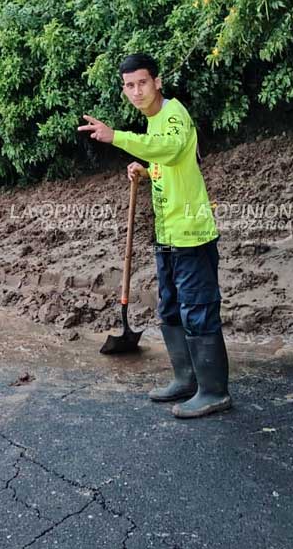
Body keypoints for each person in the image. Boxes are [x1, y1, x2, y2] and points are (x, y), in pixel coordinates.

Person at [77, 53, 230, 419]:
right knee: (171, 307)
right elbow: (168, 163)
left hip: (191, 234)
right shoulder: (153, 121)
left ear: (157, 82)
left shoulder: (173, 113)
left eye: (142, 83)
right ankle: (186, 379)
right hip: (167, 233)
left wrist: (116, 138)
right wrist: (146, 172)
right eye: (129, 85)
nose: (136, 91)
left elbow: (173, 148)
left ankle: (214, 391)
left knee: (198, 309)